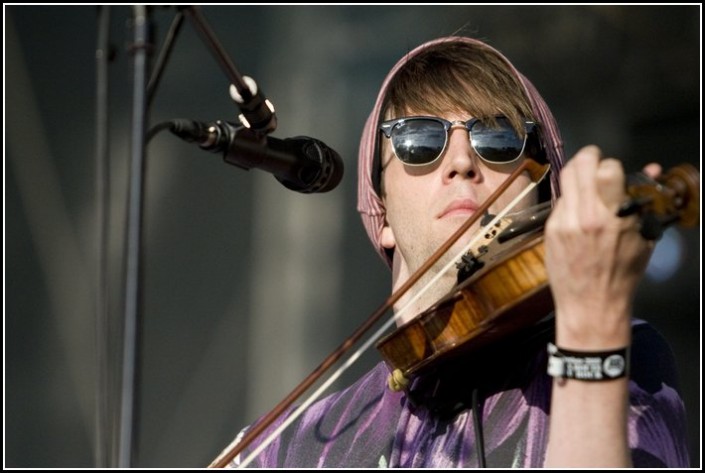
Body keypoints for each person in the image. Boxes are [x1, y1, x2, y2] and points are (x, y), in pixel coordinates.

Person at [222, 36, 690, 468]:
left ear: (544, 197)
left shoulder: (619, 357)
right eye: (419, 140)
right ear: (381, 212)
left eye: (499, 138)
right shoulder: (289, 447)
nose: (462, 162)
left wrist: (591, 323)